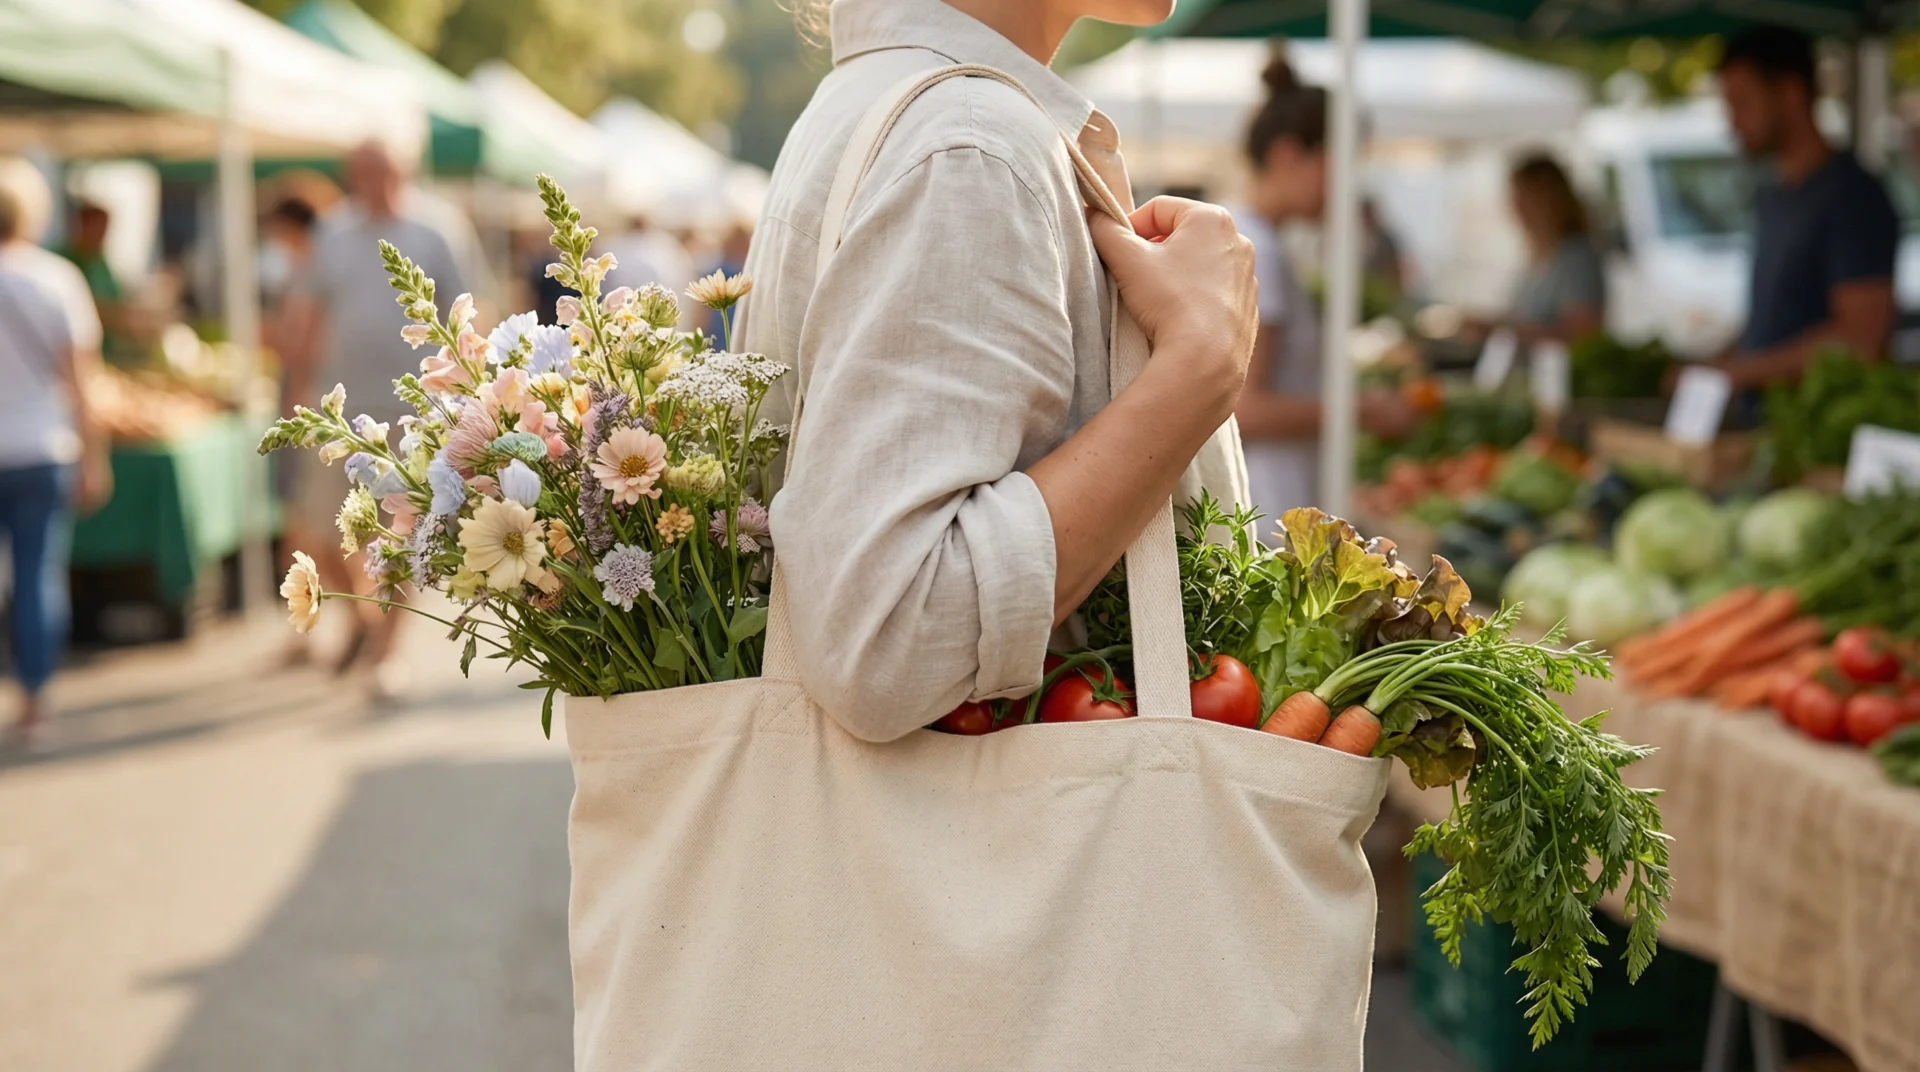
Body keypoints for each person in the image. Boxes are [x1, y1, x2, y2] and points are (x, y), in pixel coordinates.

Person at [743, 0, 1255, 734]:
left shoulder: (885, 102)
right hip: (1024, 839)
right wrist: (1200, 366)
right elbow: (886, 643)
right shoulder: (969, 143)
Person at [283, 141, 478, 691]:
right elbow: (305, 313)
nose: (373, 181)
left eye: (383, 170)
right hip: (337, 408)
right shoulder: (333, 233)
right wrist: (295, 391)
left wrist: (466, 394)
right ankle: (368, 623)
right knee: (323, 530)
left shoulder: (438, 229)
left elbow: (463, 314)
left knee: (398, 530)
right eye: (363, 171)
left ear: (404, 171)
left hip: (410, 410)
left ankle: (387, 654)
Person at [1227, 55, 1417, 523]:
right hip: (1268, 500)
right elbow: (1244, 409)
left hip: (1274, 494)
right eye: (1342, 165)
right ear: (1289, 155)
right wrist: (1362, 410)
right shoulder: (1258, 251)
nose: (1348, 185)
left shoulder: (1255, 238)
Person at [1714, 24, 1899, 389]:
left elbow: (1862, 339)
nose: (1733, 123)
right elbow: (1772, 323)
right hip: (1762, 427)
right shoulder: (1774, 196)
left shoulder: (1853, 195)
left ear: (1791, 93)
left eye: (1743, 103)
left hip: (1817, 429)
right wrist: (1721, 360)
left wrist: (1739, 373)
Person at [0, 185, 110, 746]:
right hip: (41, 448)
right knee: (37, 575)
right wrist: (95, 455)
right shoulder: (54, 278)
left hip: (28, 445)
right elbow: (80, 381)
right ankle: (35, 701)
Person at [1484, 154, 1607, 345]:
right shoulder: (1536, 256)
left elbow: (1583, 334)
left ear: (1550, 199)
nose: (1517, 207)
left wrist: (1502, 330)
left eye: (1526, 197)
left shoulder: (1577, 258)